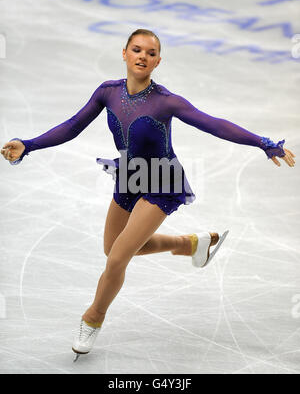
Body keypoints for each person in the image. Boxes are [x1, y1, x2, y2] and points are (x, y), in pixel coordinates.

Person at [1, 29, 296, 361]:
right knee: (113, 249)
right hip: (128, 175)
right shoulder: (107, 93)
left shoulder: (166, 101)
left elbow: (214, 123)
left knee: (117, 259)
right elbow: (72, 126)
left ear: (157, 61)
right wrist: (29, 144)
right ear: (124, 53)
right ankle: (189, 244)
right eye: (137, 50)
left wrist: (262, 142)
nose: (143, 56)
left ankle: (93, 316)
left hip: (161, 180)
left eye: (150, 52)